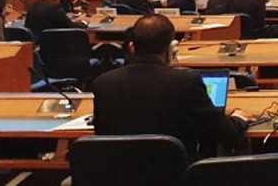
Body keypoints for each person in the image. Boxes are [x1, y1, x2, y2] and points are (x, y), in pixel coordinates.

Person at [92, 14, 250, 160]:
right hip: (176, 174)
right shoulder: (186, 82)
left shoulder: (103, 83)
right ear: (172, 49)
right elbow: (223, 132)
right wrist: (238, 119)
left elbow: (101, 132)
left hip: (117, 174)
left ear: (132, 47)